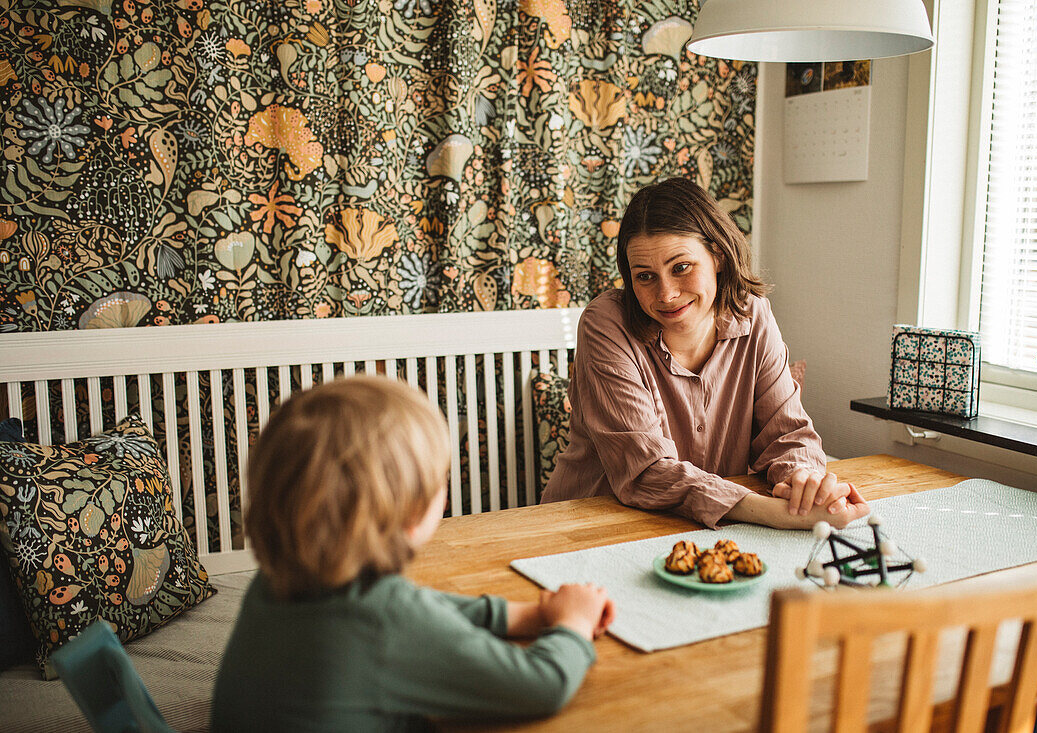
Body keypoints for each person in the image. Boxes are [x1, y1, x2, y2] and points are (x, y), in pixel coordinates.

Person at [212, 377, 615, 732]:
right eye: (441, 480)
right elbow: (540, 686)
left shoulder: (274, 584)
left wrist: (528, 615)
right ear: (407, 512)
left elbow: (422, 609)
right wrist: (573, 624)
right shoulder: (385, 622)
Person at [541, 178, 869, 530]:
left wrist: (804, 482)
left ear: (718, 255)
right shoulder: (605, 324)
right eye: (646, 276)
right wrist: (775, 514)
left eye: (681, 267)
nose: (666, 294)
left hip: (702, 528)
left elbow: (787, 434)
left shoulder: (753, 314)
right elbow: (645, 470)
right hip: (589, 525)